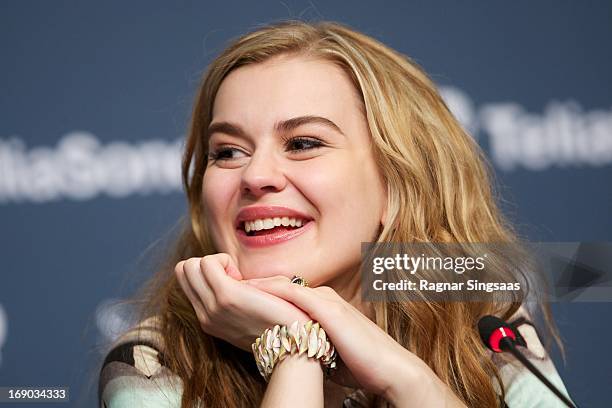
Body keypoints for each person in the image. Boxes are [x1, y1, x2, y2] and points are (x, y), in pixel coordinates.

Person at [98, 20, 574, 407]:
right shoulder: (151, 361)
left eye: (303, 143)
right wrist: (292, 349)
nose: (255, 175)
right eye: (227, 152)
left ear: (395, 187)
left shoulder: (478, 321)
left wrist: (408, 381)